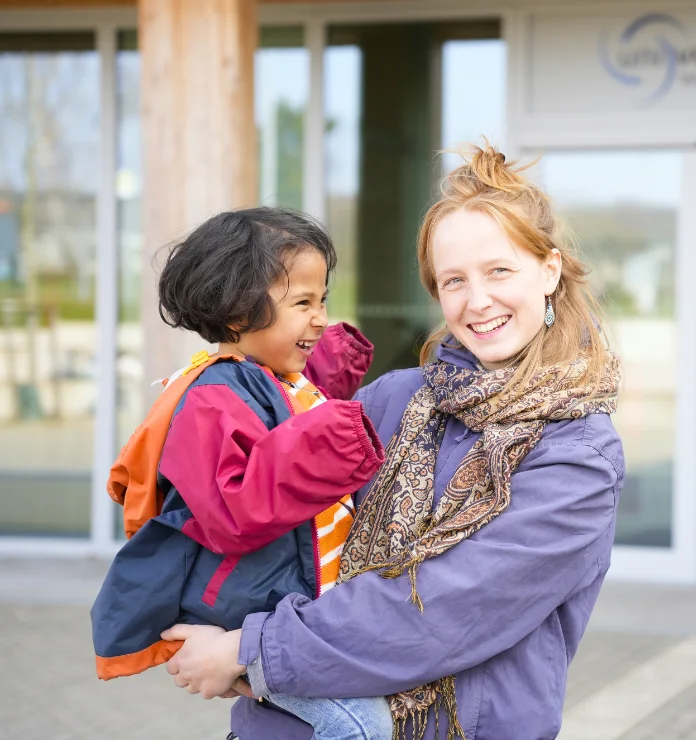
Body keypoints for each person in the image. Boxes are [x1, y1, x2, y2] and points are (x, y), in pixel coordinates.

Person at [162, 146, 625, 740]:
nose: (476, 300)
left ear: (551, 271)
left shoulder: (577, 455)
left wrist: (250, 650)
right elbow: (275, 519)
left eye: (499, 271)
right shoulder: (394, 401)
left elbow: (441, 612)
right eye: (453, 280)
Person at [90, 207, 393, 740]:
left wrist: (332, 367)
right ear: (237, 315)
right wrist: (333, 443)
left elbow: (290, 422)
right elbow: (233, 509)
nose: (320, 317)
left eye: (322, 300)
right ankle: (251, 674)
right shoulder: (211, 397)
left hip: (283, 608)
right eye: (302, 303)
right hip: (255, 613)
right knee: (361, 726)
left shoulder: (269, 378)